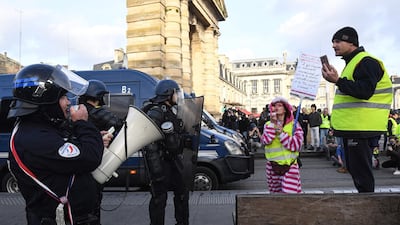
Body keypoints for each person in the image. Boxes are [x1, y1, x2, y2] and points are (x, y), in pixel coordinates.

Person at [7, 64, 105, 225]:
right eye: (63, 97)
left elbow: (67, 147)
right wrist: (82, 124)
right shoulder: (34, 138)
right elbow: (89, 158)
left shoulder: (38, 128)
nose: (68, 103)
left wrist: (93, 140)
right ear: (46, 100)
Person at [322, 26, 392, 192]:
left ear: (351, 42)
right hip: (355, 128)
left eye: (338, 41)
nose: (333, 45)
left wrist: (338, 81)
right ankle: (367, 205)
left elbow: (365, 91)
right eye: (332, 42)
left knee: (361, 174)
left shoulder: (366, 61)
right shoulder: (354, 63)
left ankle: (368, 209)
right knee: (356, 171)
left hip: (362, 128)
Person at [142, 79, 191, 225]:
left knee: (182, 193)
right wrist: (156, 170)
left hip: (172, 161)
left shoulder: (169, 110)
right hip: (161, 163)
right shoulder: (156, 112)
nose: (177, 95)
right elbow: (148, 140)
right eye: (175, 92)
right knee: (159, 199)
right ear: (168, 94)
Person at [78, 79, 124, 225]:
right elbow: (119, 123)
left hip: (82, 163)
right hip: (96, 163)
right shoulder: (96, 111)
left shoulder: (77, 110)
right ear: (97, 96)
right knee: (94, 204)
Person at [261, 97, 303, 193]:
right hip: (272, 167)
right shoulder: (267, 125)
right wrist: (272, 124)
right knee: (275, 199)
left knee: (289, 198)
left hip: (290, 167)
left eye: (279, 105)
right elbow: (265, 141)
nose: (276, 108)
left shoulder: (294, 125)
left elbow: (297, 146)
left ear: (285, 109)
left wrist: (281, 134)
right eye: (274, 106)